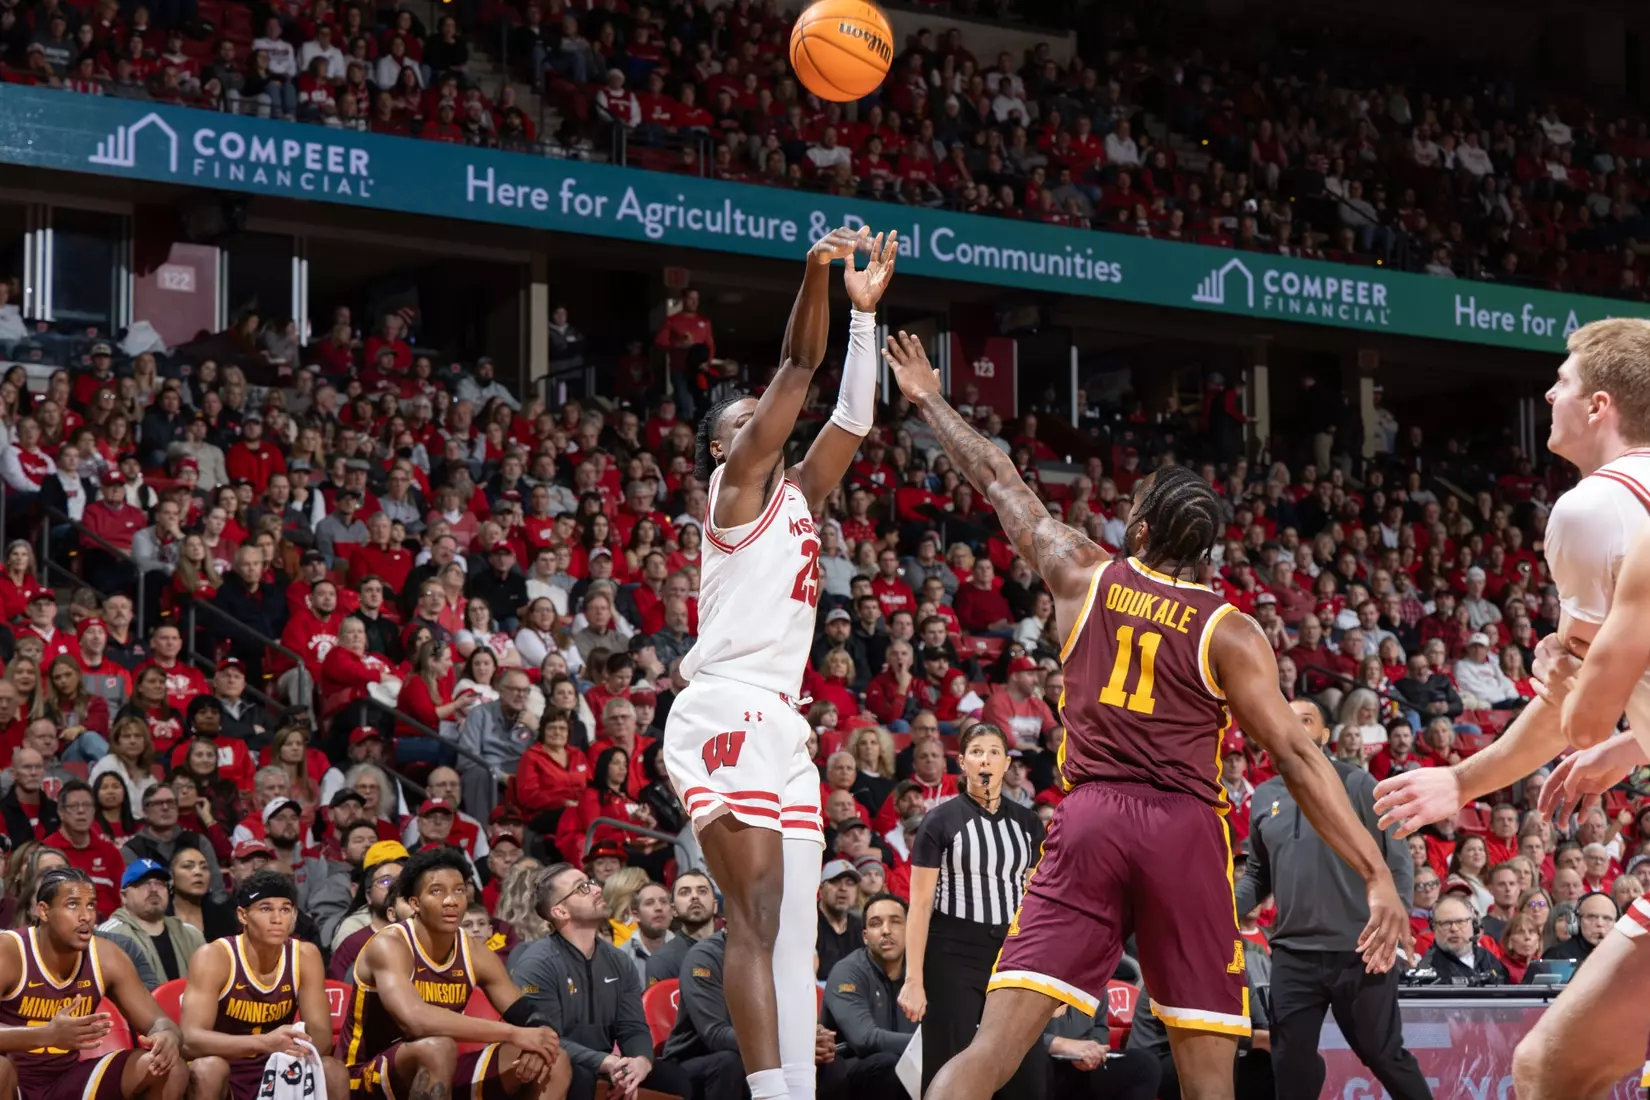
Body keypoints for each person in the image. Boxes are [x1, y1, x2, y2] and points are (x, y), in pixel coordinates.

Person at [883, 332, 1404, 1100]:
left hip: (1090, 819)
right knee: (1206, 1076)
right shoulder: (1230, 630)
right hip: (1185, 834)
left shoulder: (1079, 570)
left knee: (989, 1051)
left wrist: (929, 398)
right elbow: (1299, 758)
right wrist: (1375, 872)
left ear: (1146, 533)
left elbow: (997, 475)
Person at [1371, 320, 1650, 1097]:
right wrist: (1632, 749)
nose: (1548, 394)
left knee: (1548, 1069)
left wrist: (1465, 778)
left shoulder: (1596, 508)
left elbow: (1576, 716)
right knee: (1553, 1066)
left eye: (1560, 382)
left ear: (1599, 406)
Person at [660, 226, 895, 1100]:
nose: (765, 424)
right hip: (723, 708)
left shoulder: (800, 495)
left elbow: (855, 417)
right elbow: (798, 375)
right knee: (754, 922)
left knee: (797, 928)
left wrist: (864, 320)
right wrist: (816, 277)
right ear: (725, 447)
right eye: (745, 421)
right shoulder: (734, 492)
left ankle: (797, 1086)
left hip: (781, 724)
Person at [1235, 698, 1428, 1100]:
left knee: (1383, 1054)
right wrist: (1221, 916)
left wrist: (1394, 927)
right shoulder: (1265, 795)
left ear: (1324, 736)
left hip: (1360, 949)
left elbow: (1399, 865)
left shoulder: (1358, 784)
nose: (1293, 726)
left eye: (1305, 720)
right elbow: (1257, 875)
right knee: (1289, 1061)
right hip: (1292, 953)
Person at [340, 847, 571, 1100]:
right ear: (415, 903)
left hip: (441, 1067)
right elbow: (415, 1021)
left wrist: (538, 1040)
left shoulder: (474, 952)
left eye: (458, 890)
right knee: (438, 1048)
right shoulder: (390, 944)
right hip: (366, 1074)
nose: (451, 900)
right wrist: (515, 1034)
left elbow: (526, 1012)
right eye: (437, 891)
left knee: (554, 1059)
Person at [897, 723, 1044, 1098]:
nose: (986, 759)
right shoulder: (939, 821)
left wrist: (1044, 974)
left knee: (1024, 1069)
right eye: (977, 751)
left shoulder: (1028, 824)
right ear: (962, 762)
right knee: (950, 1060)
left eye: (994, 752)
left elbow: (1037, 902)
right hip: (952, 951)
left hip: (1013, 953)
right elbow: (921, 905)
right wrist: (914, 979)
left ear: (1006, 762)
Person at [510, 863, 736, 1100]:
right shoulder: (537, 963)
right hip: (557, 1064)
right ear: (560, 912)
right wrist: (606, 1062)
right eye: (582, 888)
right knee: (580, 1076)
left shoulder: (618, 960)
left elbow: (633, 1028)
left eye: (591, 883)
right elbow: (545, 1040)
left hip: (608, 1063)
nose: (596, 889)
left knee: (675, 1078)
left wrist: (640, 1062)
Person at [0, 866, 188, 1100]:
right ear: (43, 911)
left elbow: (158, 1021)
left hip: (68, 1079)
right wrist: (46, 1034)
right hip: (13, 1082)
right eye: (72, 904)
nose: (86, 916)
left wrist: (167, 1036)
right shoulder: (8, 951)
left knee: (168, 1066)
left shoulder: (107, 957)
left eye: (90, 905)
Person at [179, 869, 349, 1100]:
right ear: (243, 915)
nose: (277, 919)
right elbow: (190, 1040)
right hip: (227, 1067)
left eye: (285, 909)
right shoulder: (215, 956)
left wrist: (293, 1051)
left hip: (279, 1064)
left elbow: (322, 1036)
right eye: (266, 909)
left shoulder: (305, 955)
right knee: (208, 1068)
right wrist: (265, 1043)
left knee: (334, 1070)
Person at [821, 893, 914, 1087]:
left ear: (910, 929)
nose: (886, 930)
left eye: (895, 922)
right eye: (875, 924)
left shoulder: (921, 974)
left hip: (909, 1068)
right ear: (865, 937)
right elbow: (865, 1040)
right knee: (888, 1064)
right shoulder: (847, 971)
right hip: (848, 1076)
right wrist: (928, 1045)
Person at [96, 859, 207, 989]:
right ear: (124, 896)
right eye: (143, 883)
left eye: (160, 883)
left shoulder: (191, 934)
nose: (154, 889)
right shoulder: (109, 936)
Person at [643, 869, 717, 985]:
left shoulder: (736, 950)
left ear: (715, 905)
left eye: (702, 891)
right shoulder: (662, 961)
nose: (694, 896)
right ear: (674, 910)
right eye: (684, 892)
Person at [1419, 893, 1509, 984]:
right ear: (1434, 927)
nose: (1454, 928)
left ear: (1474, 925)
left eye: (1460, 921)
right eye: (1446, 923)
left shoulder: (1487, 957)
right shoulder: (1429, 968)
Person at [1542, 891, 1619, 965]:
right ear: (1576, 921)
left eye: (1607, 918)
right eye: (1591, 917)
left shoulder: (1624, 955)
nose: (1599, 923)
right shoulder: (1557, 956)